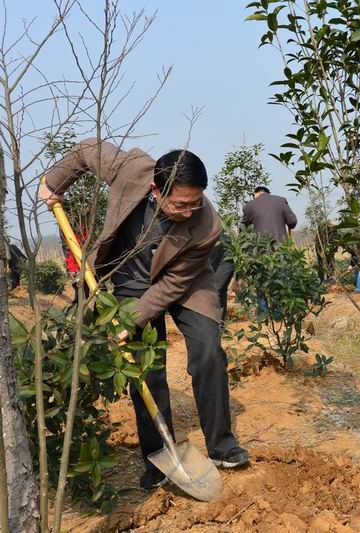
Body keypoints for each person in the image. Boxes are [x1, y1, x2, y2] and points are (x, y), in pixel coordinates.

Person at [38, 139, 249, 490]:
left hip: (186, 283)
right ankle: (158, 456)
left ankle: (222, 446)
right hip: (131, 280)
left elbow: (172, 285)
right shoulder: (131, 169)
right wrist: (54, 182)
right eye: (180, 204)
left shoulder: (207, 224)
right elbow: (87, 150)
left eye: (196, 202)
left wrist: (130, 319)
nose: (189, 211)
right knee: (145, 369)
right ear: (155, 189)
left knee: (208, 352)